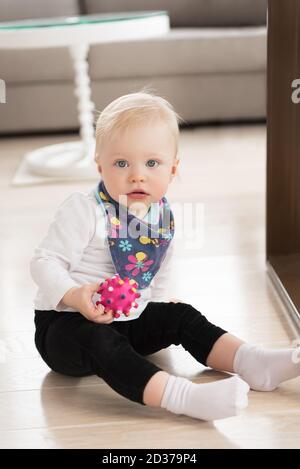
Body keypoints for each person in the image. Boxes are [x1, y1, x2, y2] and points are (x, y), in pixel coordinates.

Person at [31, 91, 300, 422]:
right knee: (98, 340)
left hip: (128, 318)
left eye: (152, 163)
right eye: (121, 163)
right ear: (99, 165)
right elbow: (44, 261)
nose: (137, 175)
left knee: (181, 315)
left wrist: (158, 303)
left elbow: (159, 264)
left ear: (173, 169)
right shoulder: (84, 210)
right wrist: (74, 295)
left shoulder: (161, 215)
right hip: (66, 327)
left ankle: (254, 362)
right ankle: (181, 396)